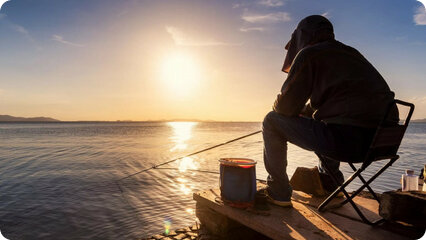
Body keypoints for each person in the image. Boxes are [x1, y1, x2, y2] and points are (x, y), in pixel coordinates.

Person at [262, 15, 398, 207]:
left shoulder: (309, 53)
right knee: (327, 122)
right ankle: (331, 184)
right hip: (383, 144)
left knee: (271, 121)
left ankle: (279, 192)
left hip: (347, 143)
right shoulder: (352, 54)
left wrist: (285, 107)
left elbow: (285, 107)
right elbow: (343, 99)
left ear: (302, 36)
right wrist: (306, 111)